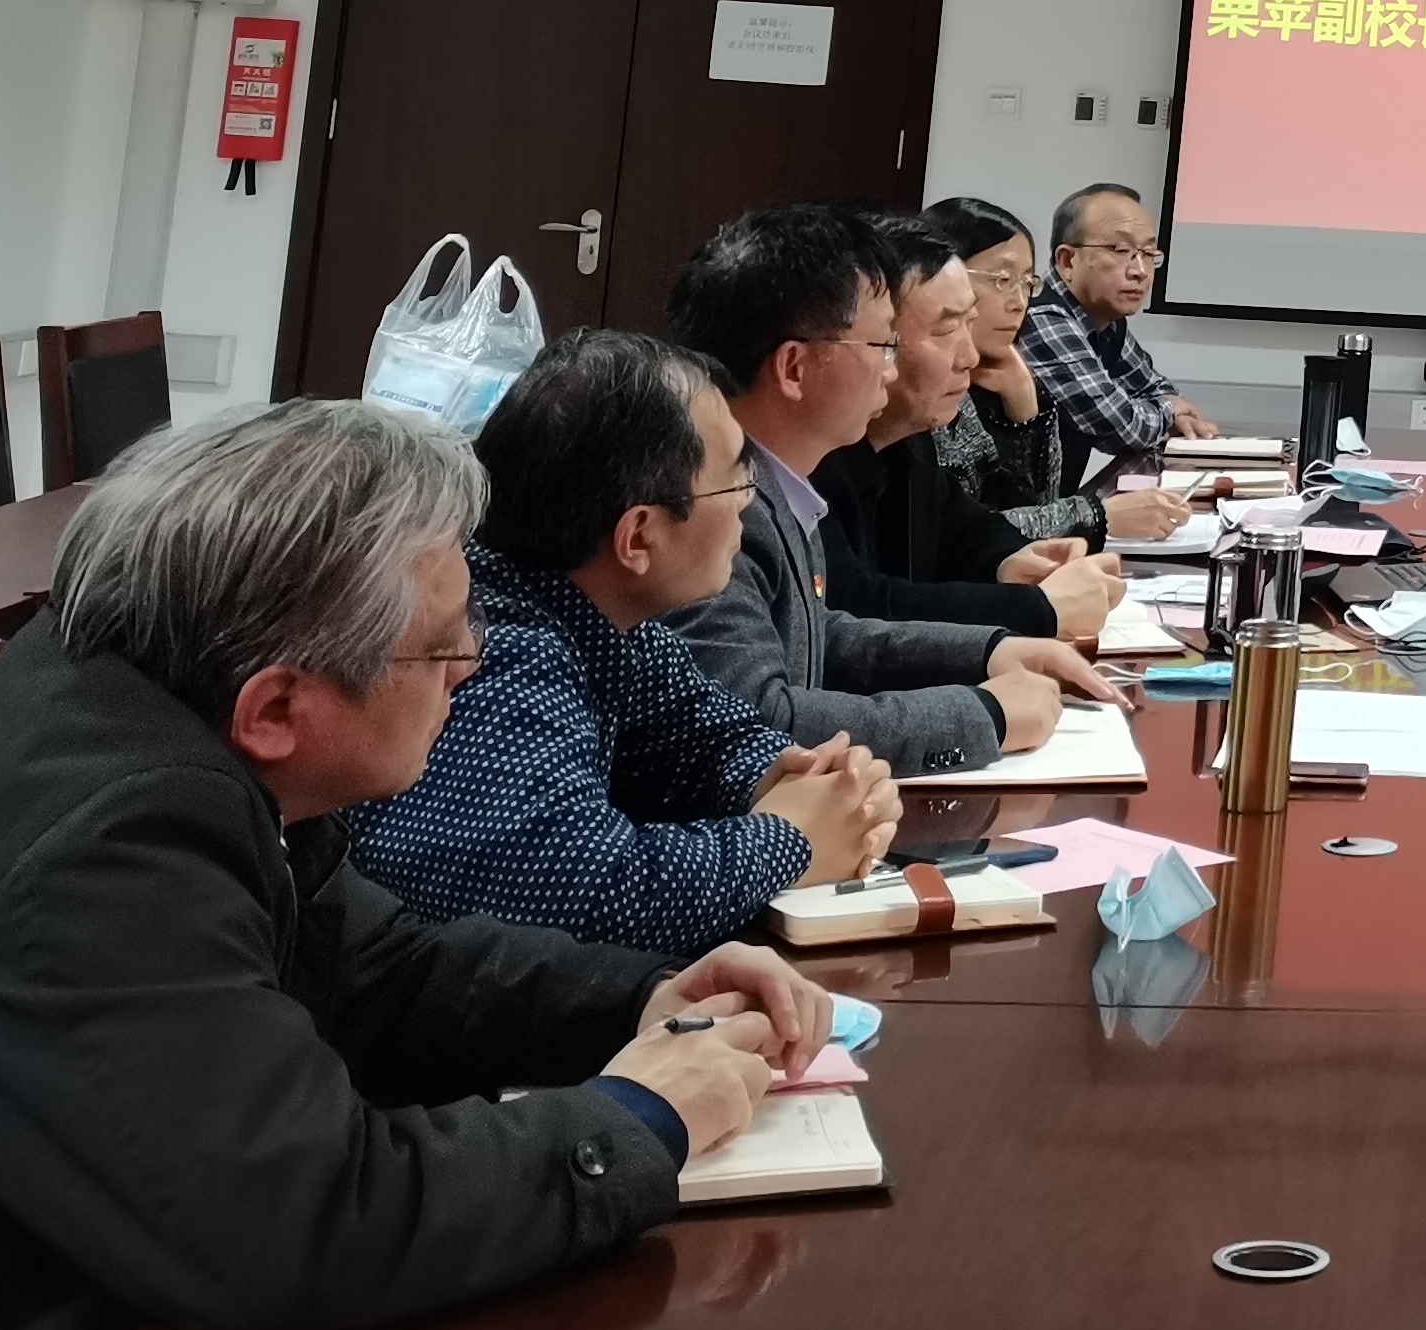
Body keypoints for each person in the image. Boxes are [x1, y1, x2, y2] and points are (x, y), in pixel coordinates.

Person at [0, 399, 822, 1330]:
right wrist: (639, 1120)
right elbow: (318, 1221)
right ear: (278, 706)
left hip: (56, 1303)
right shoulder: (108, 855)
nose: (473, 666)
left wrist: (639, 999)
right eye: (444, 644)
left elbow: (378, 968)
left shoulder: (155, 699)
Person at [351, 327, 900, 955]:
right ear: (638, 537)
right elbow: (585, 896)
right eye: (735, 483)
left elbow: (708, 738)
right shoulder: (500, 652)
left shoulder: (606, 622)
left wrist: (791, 779)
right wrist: (790, 837)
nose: (749, 505)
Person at [664, 201, 1125, 773]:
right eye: (882, 345)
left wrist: (990, 650)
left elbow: (820, 633)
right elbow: (752, 721)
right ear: (794, 368)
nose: (891, 369)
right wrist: (982, 715)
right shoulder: (707, 502)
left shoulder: (779, 482)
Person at [819, 217, 1124, 644]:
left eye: (969, 323)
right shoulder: (811, 452)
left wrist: (1015, 558)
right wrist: (1037, 608)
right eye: (947, 328)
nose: (969, 356)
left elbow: (962, 527)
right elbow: (854, 606)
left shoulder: (907, 437)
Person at [930, 191, 1189, 551]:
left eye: (1026, 283)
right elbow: (954, 537)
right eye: (1003, 279)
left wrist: (1025, 406)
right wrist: (1096, 515)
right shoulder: (922, 390)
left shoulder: (1003, 370)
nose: (1020, 303)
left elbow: (1032, 511)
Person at [1016, 179, 1208, 477]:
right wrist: (1170, 411)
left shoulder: (1105, 321)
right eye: (1120, 250)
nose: (1140, 271)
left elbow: (1152, 387)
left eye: (1148, 253)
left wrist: (1169, 409)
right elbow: (1120, 426)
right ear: (1068, 261)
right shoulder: (1042, 318)